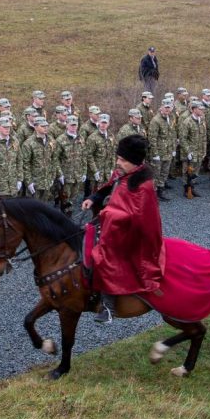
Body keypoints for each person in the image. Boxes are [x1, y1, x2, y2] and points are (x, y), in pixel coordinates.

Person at [82, 135, 164, 323]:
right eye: (118, 158)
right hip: (111, 226)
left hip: (130, 235)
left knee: (104, 257)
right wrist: (93, 199)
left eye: (122, 160)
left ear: (135, 162)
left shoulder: (144, 186)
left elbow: (142, 220)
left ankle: (108, 307)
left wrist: (108, 213)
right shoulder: (123, 173)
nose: (118, 163)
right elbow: (109, 187)